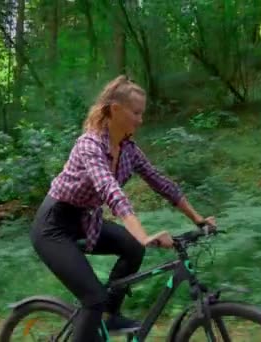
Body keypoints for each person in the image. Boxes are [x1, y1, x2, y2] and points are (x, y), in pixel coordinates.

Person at [29, 75, 215, 341]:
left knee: (132, 247)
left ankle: (110, 315)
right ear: (116, 110)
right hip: (53, 227)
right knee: (93, 297)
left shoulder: (128, 149)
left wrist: (198, 219)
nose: (141, 119)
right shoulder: (89, 145)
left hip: (86, 221)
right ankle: (99, 310)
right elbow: (111, 192)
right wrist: (143, 233)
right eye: (136, 112)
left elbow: (161, 183)